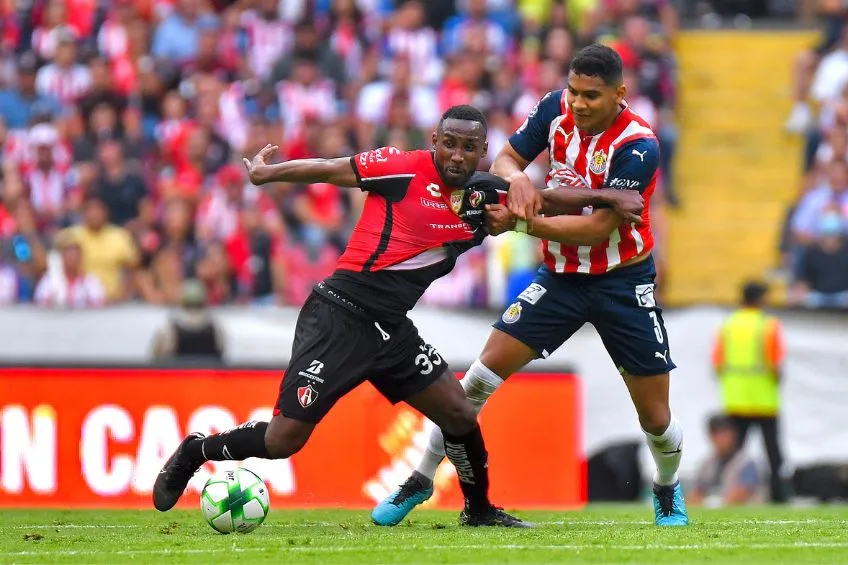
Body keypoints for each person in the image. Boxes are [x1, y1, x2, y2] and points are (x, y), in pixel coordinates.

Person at [154, 106, 530, 527]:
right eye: (449, 144)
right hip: (339, 316)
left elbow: (543, 202)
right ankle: (194, 451)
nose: (457, 155)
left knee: (459, 414)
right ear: (434, 142)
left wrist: (592, 200)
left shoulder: (486, 200)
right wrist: (267, 174)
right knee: (283, 441)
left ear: (482, 152)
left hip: (391, 329)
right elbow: (330, 169)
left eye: (468, 148)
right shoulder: (401, 168)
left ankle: (478, 510)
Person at [372, 44, 689, 527]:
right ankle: (420, 477)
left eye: (591, 95)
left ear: (619, 94)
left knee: (656, 420)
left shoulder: (639, 145)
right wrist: (518, 179)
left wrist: (520, 221)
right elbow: (503, 158)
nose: (579, 103)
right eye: (573, 91)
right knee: (476, 381)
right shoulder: (553, 109)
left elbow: (596, 229)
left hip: (623, 282)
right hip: (559, 279)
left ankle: (666, 487)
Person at [712, 281, 787, 502]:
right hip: (764, 400)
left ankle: (726, 494)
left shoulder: (728, 325)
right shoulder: (769, 326)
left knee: (733, 453)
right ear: (760, 299)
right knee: (773, 453)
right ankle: (778, 497)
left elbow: (717, 363)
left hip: (735, 399)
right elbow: (776, 365)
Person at [688, 414, 765, 507]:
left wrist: (711, 502)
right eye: (717, 434)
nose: (722, 439)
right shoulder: (706, 464)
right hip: (714, 513)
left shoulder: (746, 462)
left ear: (734, 435)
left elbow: (741, 494)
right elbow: (695, 495)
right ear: (711, 436)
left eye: (725, 433)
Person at [150, 278, 226, 361]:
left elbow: (157, 358)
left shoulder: (170, 329)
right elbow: (221, 353)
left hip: (180, 373)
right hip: (206, 373)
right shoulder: (216, 328)